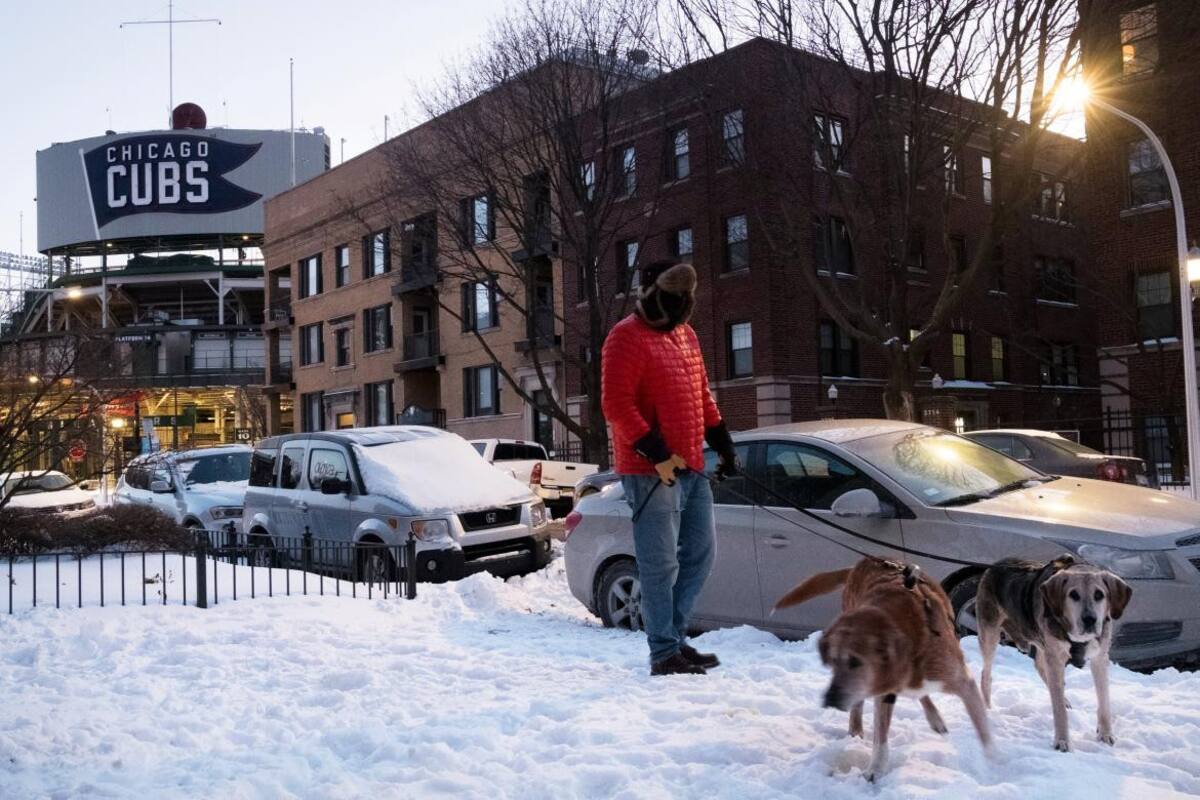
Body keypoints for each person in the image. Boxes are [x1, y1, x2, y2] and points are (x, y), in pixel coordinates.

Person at [601, 260, 738, 676]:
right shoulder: (624, 336)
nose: (680, 307)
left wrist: (722, 441)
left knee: (701, 554)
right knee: (660, 564)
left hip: (691, 463)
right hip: (648, 471)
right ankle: (663, 652)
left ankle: (674, 638)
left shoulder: (686, 335)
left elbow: (701, 393)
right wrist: (656, 451)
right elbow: (616, 405)